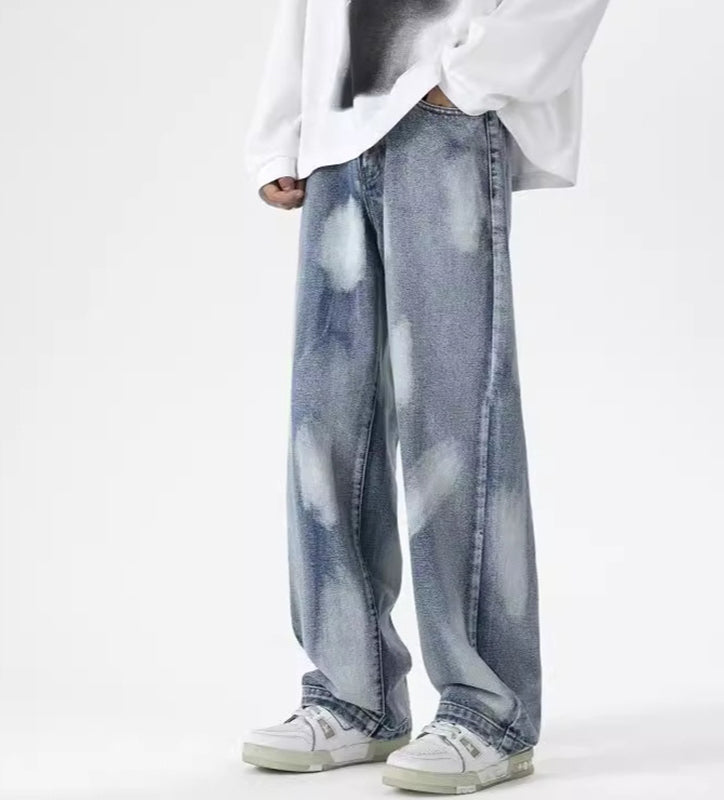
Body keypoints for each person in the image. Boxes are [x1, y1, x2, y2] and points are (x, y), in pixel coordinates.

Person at [241, 0, 609, 793]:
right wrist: (284, 126)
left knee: (454, 415)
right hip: (337, 129)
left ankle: (489, 709)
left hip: (445, 122)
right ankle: (354, 693)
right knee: (324, 426)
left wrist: (470, 78)